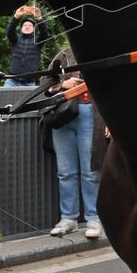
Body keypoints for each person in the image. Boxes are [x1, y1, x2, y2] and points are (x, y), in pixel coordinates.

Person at [47, 45, 102, 240]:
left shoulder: (99, 51)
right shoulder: (63, 54)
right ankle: (68, 218)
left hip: (90, 112)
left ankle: (94, 218)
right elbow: (45, 81)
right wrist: (63, 85)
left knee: (90, 171)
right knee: (65, 172)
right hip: (63, 113)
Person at [5, 5, 48, 86]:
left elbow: (44, 33)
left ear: (34, 29)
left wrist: (39, 18)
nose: (27, 26)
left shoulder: (37, 41)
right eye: (25, 25)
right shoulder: (15, 39)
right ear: (21, 28)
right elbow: (10, 31)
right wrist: (16, 16)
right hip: (12, 81)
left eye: (30, 25)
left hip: (29, 83)